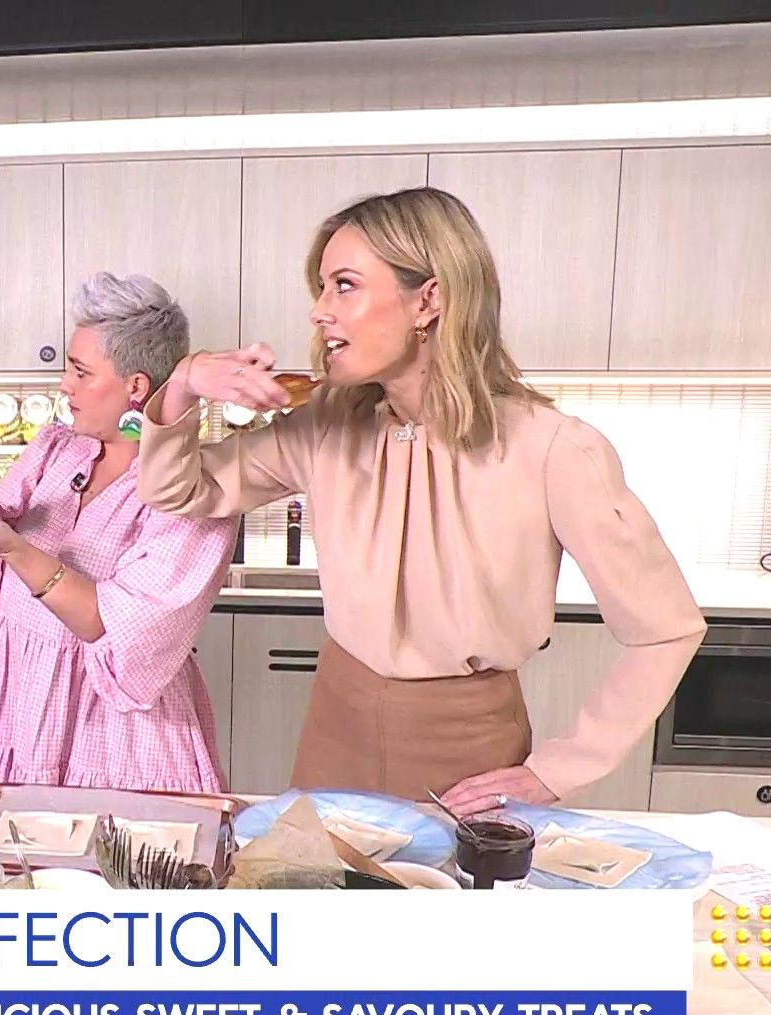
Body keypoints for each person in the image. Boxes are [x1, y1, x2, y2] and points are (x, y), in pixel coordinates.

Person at [135, 187, 707, 814]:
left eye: (344, 285)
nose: (319, 312)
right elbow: (178, 489)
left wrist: (560, 770)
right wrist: (183, 385)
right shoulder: (325, 427)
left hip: (469, 756)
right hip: (334, 733)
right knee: (314, 876)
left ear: (428, 301)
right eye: (322, 289)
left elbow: (665, 629)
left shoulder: (554, 450)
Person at [0, 272, 238, 792]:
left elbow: (114, 628)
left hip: (122, 737)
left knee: (117, 846)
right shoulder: (55, 451)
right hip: (18, 716)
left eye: (81, 372)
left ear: (135, 386)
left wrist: (14, 547)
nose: (64, 385)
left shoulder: (195, 492)